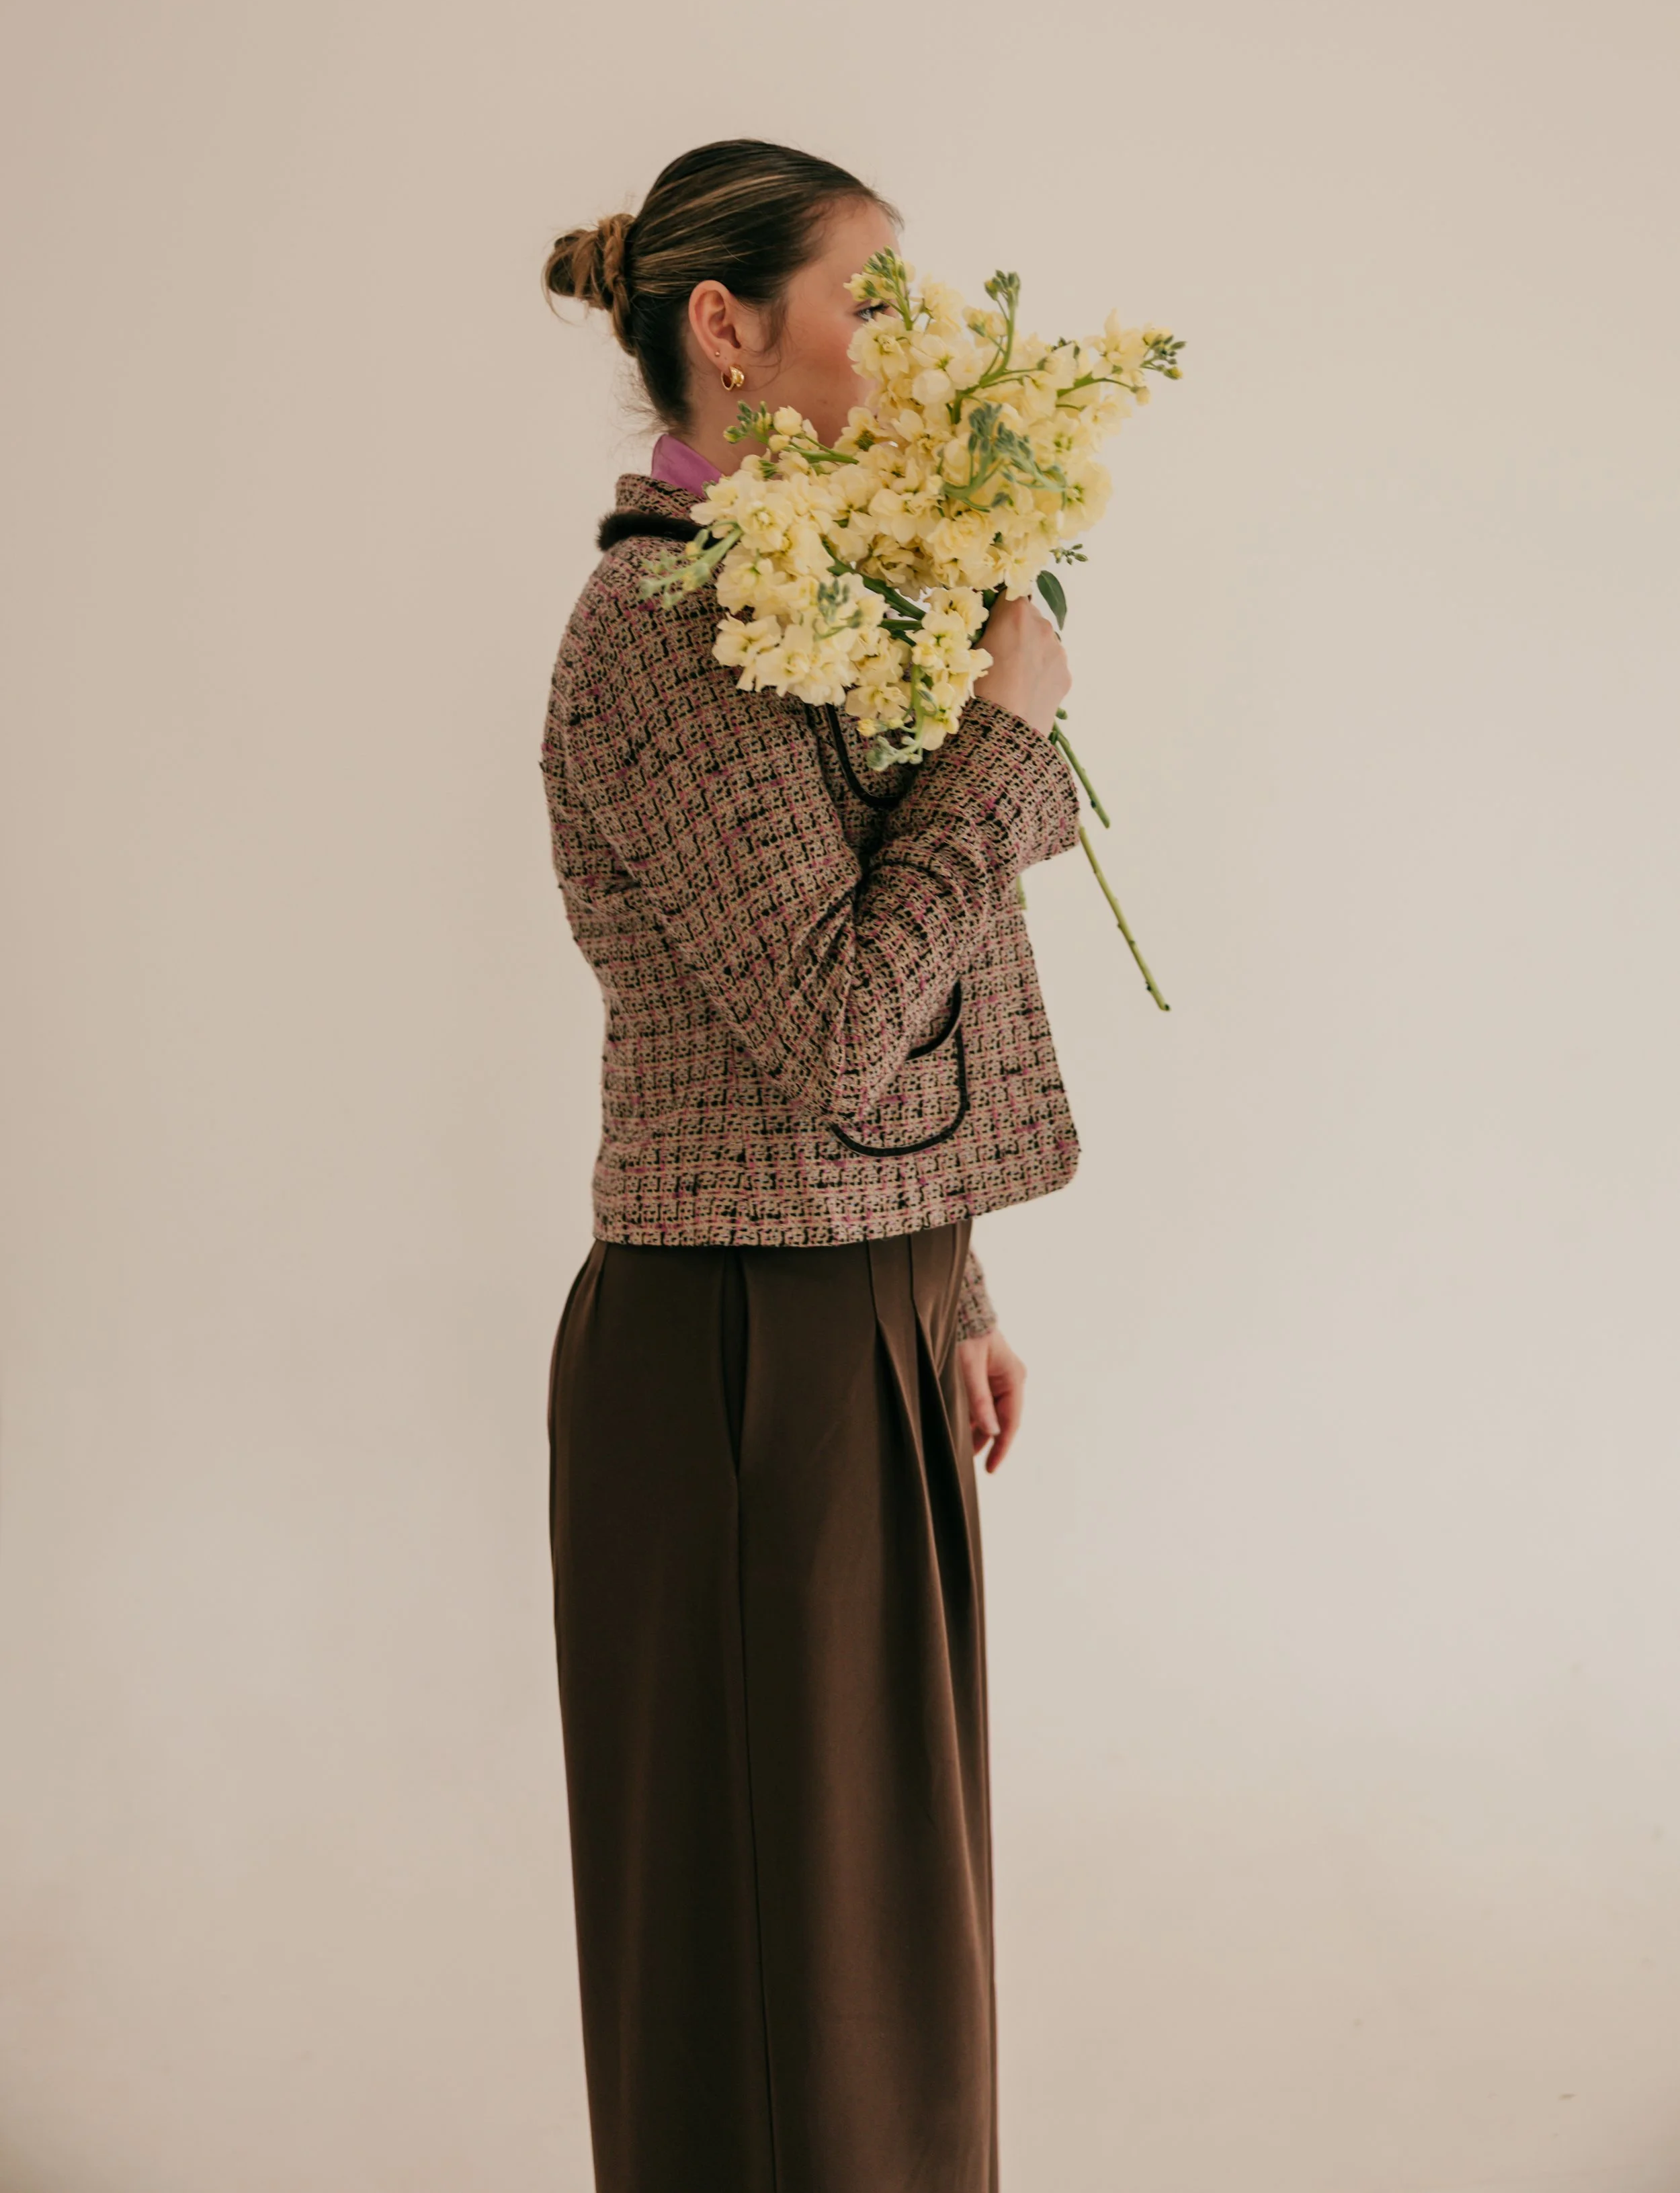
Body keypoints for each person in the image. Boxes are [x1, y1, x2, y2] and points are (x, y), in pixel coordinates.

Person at [538, 137, 1081, 2193]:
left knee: (875, 1970)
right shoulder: (660, 634)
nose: (911, 350)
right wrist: (1003, 737)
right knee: (783, 2000)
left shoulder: (824, 602)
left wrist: (948, 1287)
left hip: (849, 1330)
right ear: (727, 330)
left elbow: (879, 1009)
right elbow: (842, 1019)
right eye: (871, 300)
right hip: (731, 1363)